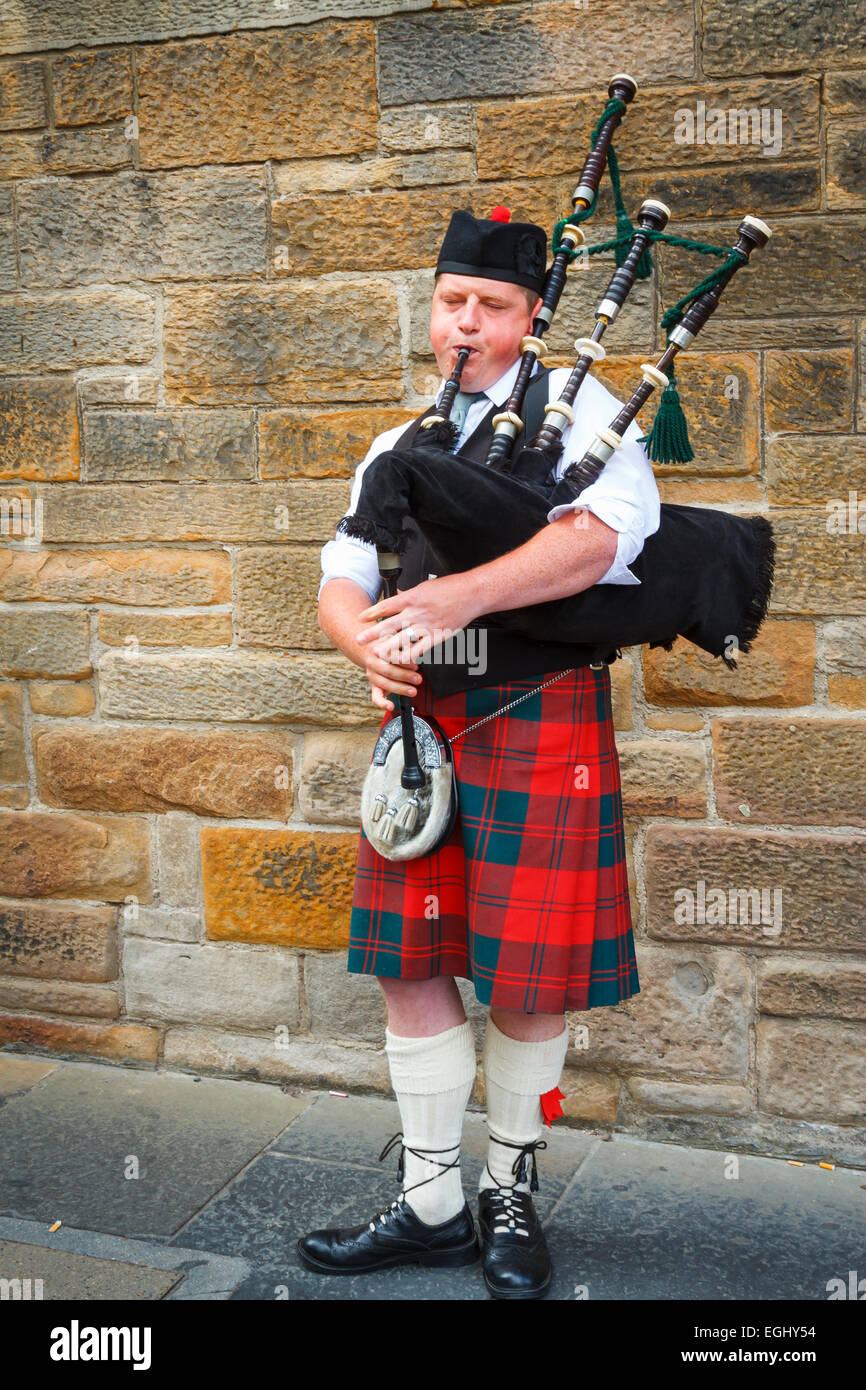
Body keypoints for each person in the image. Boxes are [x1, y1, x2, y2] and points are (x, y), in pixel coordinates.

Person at [299, 207, 660, 1299]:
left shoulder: (583, 409)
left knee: (525, 968)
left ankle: (507, 1187)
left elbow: (605, 533)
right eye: (451, 300)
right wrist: (357, 633)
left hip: (538, 711)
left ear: (532, 316)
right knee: (409, 958)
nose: (466, 321)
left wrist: (451, 595)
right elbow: (345, 561)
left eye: (492, 306)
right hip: (420, 722)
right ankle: (428, 1203)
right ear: (433, 307)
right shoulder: (397, 441)